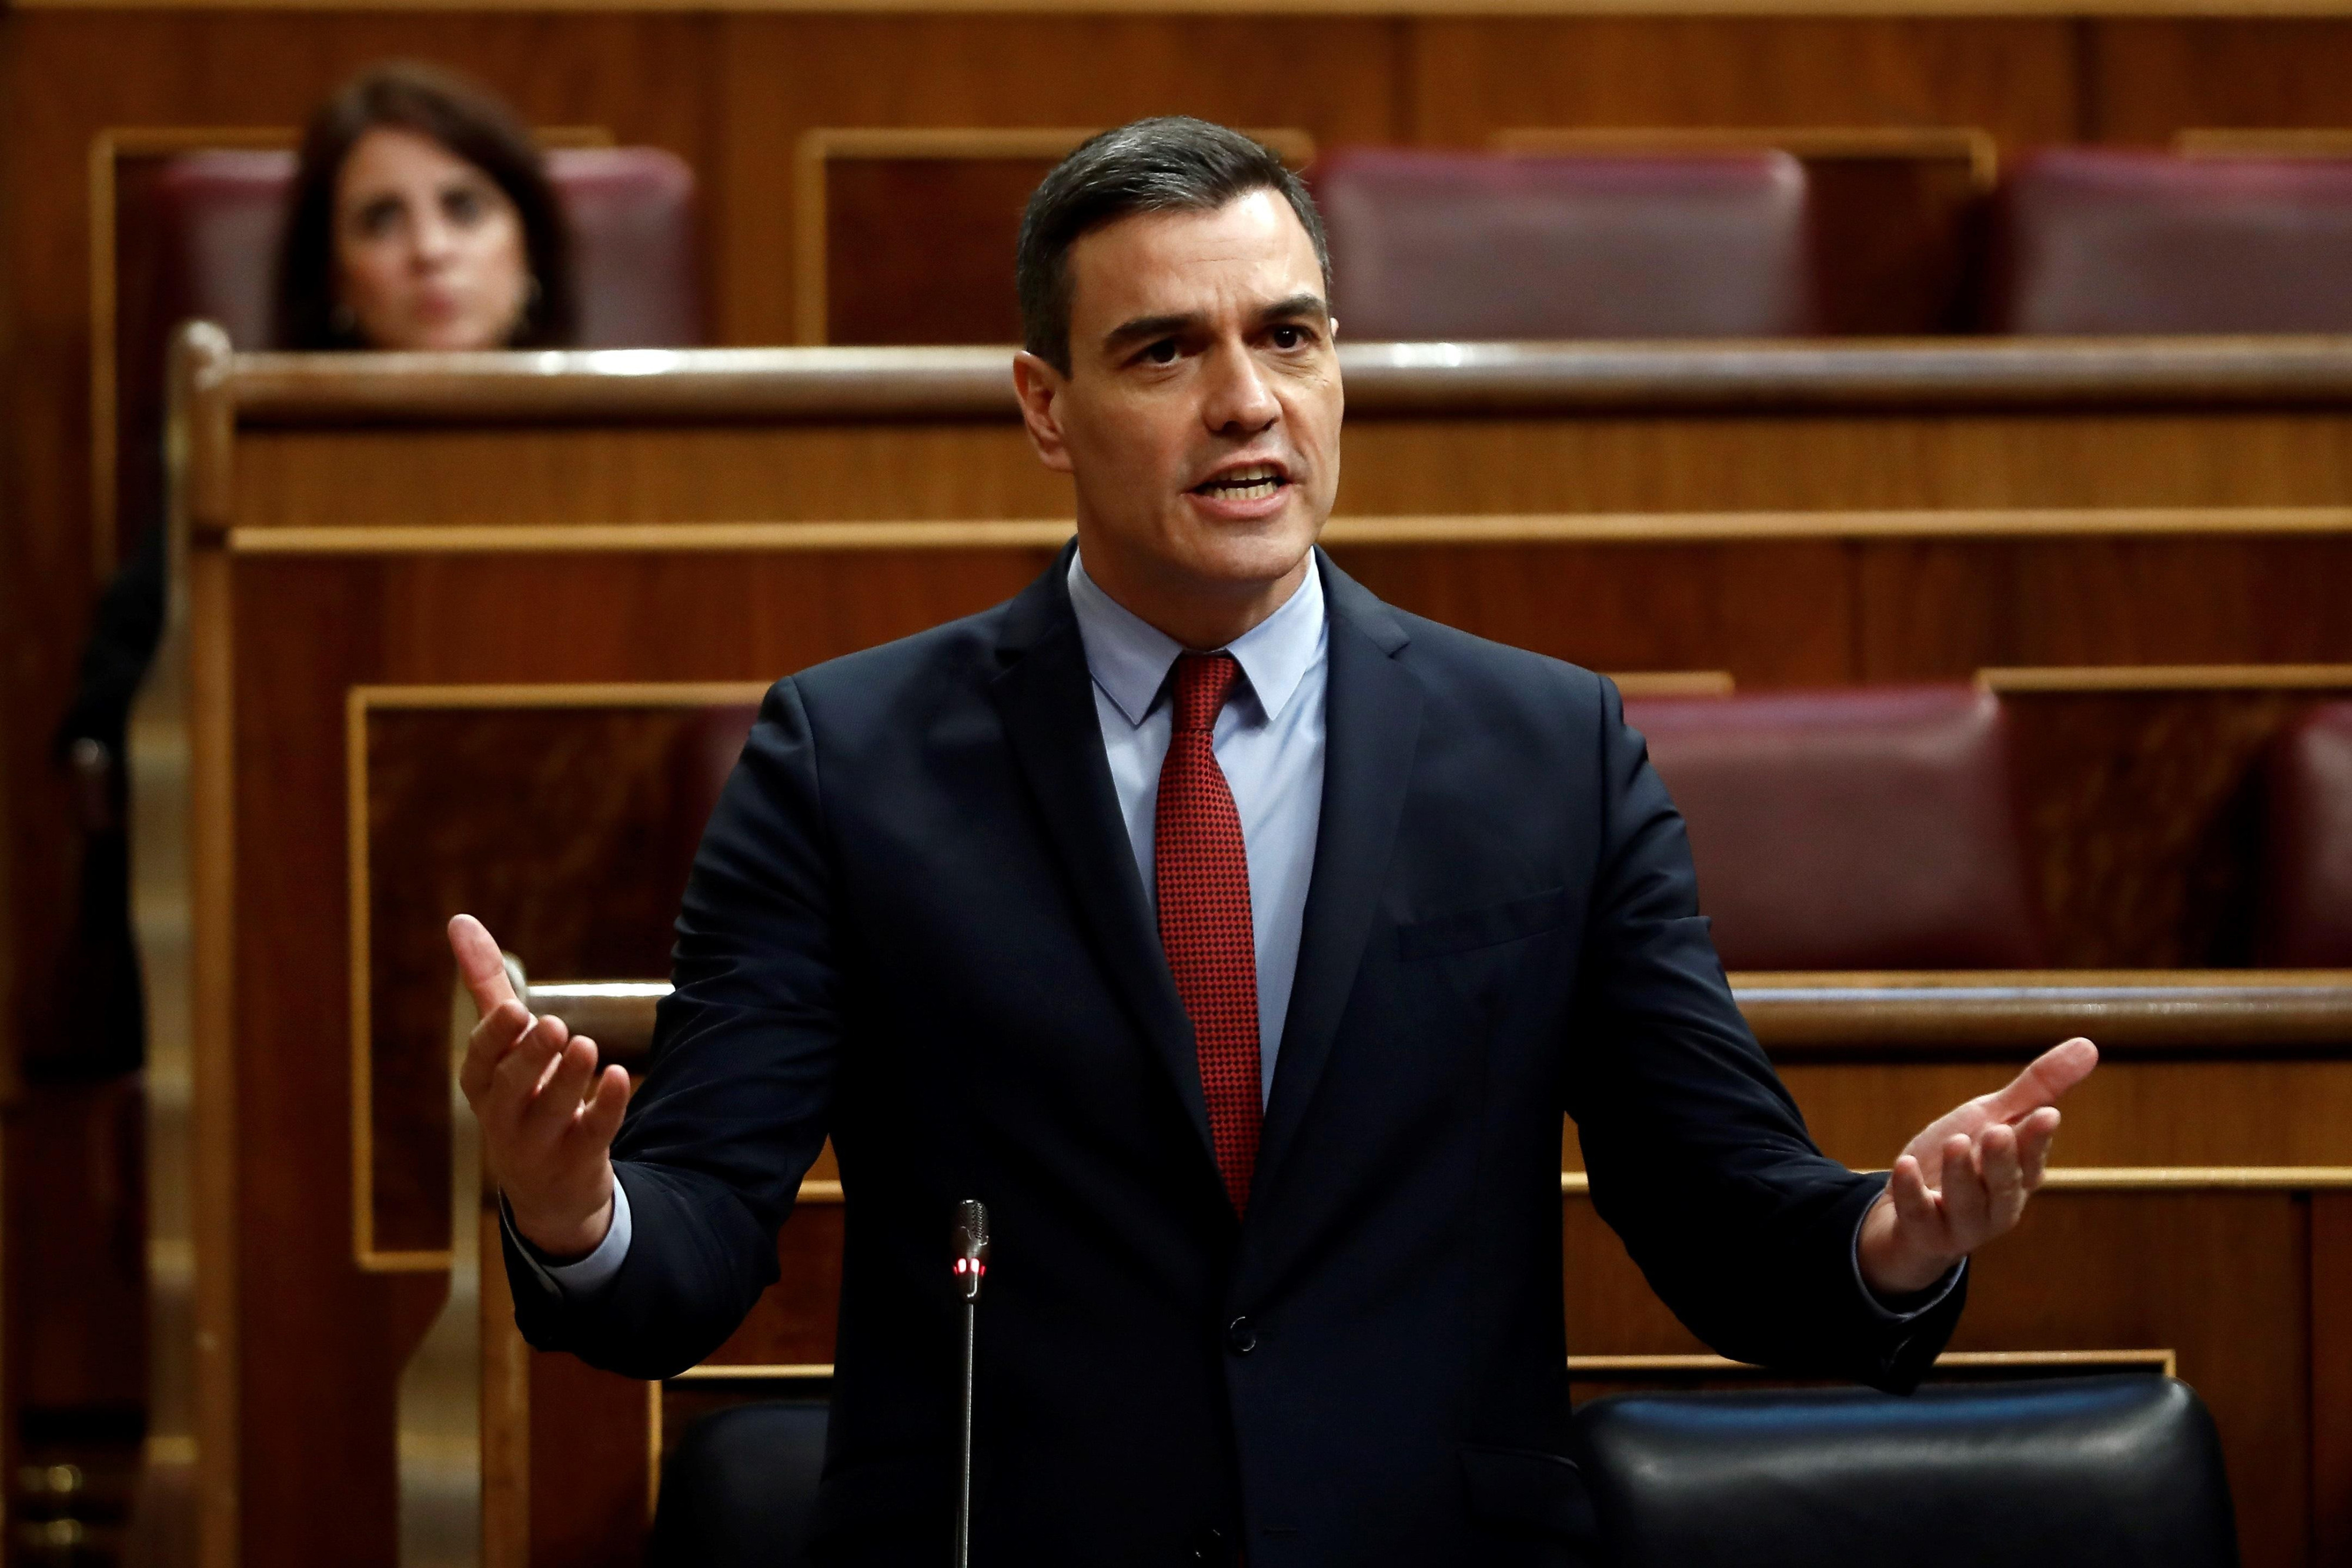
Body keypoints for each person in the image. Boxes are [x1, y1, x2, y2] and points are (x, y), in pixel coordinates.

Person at [450, 117, 2099, 1566]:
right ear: (1046, 403)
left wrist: (1888, 1240)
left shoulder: (1547, 749)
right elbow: (699, 1247)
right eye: (1165, 351)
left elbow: (1719, 1204)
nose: (1246, 402)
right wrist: (578, 1211)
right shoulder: (848, 756)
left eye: (1289, 335)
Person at [47, 61, 574, 1077]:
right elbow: (120, 720)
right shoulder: (246, 478)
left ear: (529, 245)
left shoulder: (651, 465)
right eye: (380, 220)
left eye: (463, 206)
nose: (429, 249)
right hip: (319, 927)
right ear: (333, 279)